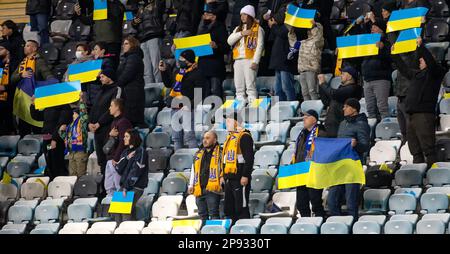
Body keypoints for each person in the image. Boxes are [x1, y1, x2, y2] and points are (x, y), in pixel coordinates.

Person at [392, 42, 445, 168]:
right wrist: (394, 54)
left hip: (424, 115)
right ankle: (418, 173)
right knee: (415, 149)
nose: (420, 61)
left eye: (422, 59)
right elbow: (403, 69)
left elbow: (431, 63)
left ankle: (434, 174)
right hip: (411, 115)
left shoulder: (435, 73)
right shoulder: (417, 74)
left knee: (428, 148)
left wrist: (421, 47)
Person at [327, 98, 370, 219]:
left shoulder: (362, 124)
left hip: (352, 166)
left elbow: (365, 146)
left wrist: (356, 145)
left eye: (346, 106)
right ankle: (339, 226)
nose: (343, 109)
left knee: (351, 201)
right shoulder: (342, 124)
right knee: (332, 201)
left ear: (354, 109)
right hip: (339, 165)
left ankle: (351, 226)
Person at [159, 49, 206, 151]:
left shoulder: (197, 73)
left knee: (189, 136)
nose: (179, 60)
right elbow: (169, 85)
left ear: (188, 60)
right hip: (175, 107)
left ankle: (194, 162)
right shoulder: (177, 71)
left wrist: (189, 105)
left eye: (181, 58)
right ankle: (179, 160)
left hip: (187, 108)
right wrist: (163, 72)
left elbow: (199, 94)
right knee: (176, 138)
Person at [12, 40, 54, 137]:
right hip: (23, 101)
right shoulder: (23, 62)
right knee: (23, 128)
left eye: (27, 46)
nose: (24, 47)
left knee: (37, 128)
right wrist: (21, 75)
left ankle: (42, 149)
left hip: (34, 100)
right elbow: (12, 79)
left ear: (34, 48)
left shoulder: (39, 62)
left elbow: (49, 77)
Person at [227, 5, 265, 104]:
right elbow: (229, 41)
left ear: (250, 16)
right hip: (238, 60)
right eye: (241, 15)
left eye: (245, 14)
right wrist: (242, 33)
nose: (242, 17)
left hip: (250, 59)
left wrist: (256, 61)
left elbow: (259, 46)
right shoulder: (238, 29)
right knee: (238, 86)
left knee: (250, 86)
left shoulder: (258, 29)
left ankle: (252, 104)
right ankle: (240, 103)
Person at [292, 110, 326, 218]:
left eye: (307, 117)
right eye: (303, 117)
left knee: (315, 202)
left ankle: (319, 224)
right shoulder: (302, 134)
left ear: (314, 119)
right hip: (301, 171)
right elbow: (298, 152)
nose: (304, 119)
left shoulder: (321, 133)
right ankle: (305, 225)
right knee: (301, 204)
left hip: (314, 171)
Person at [29, 97, 72, 180]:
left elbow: (62, 125)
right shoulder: (49, 107)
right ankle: (52, 181)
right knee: (49, 159)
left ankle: (59, 181)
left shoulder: (65, 107)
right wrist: (33, 105)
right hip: (47, 139)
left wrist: (55, 139)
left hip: (56, 140)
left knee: (57, 161)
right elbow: (37, 116)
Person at [222, 112, 254, 221]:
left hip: (240, 178)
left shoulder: (244, 136)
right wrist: (223, 175)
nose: (226, 123)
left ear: (236, 122)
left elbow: (249, 158)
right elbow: (225, 159)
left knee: (241, 208)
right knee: (229, 208)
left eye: (229, 121)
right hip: (229, 178)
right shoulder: (230, 138)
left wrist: (245, 175)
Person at [88, 68, 120, 178]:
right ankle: (104, 186)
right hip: (97, 130)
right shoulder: (101, 90)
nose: (100, 77)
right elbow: (94, 108)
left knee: (108, 157)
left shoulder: (115, 90)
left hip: (107, 129)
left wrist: (99, 123)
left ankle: (110, 186)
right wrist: (90, 122)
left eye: (103, 76)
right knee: (101, 159)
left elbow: (111, 110)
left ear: (109, 77)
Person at [74, 0, 125, 67]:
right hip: (99, 43)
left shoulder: (117, 5)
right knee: (100, 67)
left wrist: (107, 2)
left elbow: (116, 12)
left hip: (112, 42)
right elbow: (89, 21)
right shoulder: (99, 6)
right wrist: (79, 14)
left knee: (112, 65)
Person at [114, 129, 149, 222]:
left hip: (135, 187)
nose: (124, 138)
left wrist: (126, 187)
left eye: (126, 136)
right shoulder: (125, 152)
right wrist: (127, 158)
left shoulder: (141, 151)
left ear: (133, 138)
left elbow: (136, 172)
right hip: (125, 186)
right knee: (116, 212)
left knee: (125, 212)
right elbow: (118, 168)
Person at [360, 19, 392, 123]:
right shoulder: (368, 42)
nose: (372, 29)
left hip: (381, 79)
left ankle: (386, 132)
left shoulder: (387, 43)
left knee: (382, 108)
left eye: (375, 27)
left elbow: (391, 59)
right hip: (367, 80)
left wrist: (382, 48)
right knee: (370, 110)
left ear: (382, 30)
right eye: (372, 27)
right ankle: (372, 134)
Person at [318, 66, 362, 137]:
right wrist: (321, 85)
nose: (341, 76)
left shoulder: (353, 89)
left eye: (343, 74)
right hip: (331, 122)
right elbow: (326, 101)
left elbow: (334, 94)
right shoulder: (342, 88)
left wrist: (323, 84)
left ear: (350, 77)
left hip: (340, 124)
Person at [197, 3, 230, 99]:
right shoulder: (201, 29)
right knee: (204, 92)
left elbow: (226, 47)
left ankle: (217, 111)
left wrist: (216, 46)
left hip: (214, 67)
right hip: (203, 66)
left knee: (215, 91)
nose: (204, 16)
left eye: (207, 14)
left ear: (214, 16)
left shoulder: (220, 28)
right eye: (204, 14)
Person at [188, 131, 223, 220]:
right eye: (204, 138)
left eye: (208, 138)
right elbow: (194, 170)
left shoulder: (221, 153)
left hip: (213, 190)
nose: (204, 140)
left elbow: (224, 168)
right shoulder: (198, 154)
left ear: (214, 140)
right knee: (202, 215)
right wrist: (191, 185)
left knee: (214, 214)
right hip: (199, 189)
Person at [267, 7, 297, 102]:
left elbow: (283, 33)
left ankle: (292, 108)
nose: (285, 12)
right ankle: (281, 110)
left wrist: (273, 26)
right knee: (278, 89)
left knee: (287, 87)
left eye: (288, 10)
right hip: (278, 59)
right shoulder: (281, 24)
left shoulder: (291, 22)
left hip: (286, 59)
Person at [104, 98, 133, 196]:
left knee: (118, 186)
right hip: (110, 158)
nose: (109, 108)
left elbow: (123, 142)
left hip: (117, 160)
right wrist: (110, 135)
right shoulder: (114, 122)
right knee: (109, 187)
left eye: (111, 106)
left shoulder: (123, 122)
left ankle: (121, 209)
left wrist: (116, 158)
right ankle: (110, 208)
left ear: (117, 107)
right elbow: (112, 140)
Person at [115, 36, 145, 128]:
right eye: (123, 44)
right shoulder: (129, 58)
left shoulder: (133, 58)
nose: (124, 46)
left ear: (133, 45)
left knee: (131, 122)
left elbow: (127, 74)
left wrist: (117, 83)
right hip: (130, 92)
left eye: (126, 43)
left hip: (133, 94)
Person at [132, 0, 165, 84]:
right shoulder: (141, 7)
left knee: (156, 65)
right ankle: (149, 89)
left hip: (154, 36)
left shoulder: (156, 4)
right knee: (146, 69)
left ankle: (160, 88)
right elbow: (136, 22)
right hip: (142, 39)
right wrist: (134, 22)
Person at [292, 21, 324, 101]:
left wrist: (315, 25)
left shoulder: (318, 41)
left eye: (311, 29)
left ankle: (316, 110)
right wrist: (291, 31)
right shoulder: (302, 42)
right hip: (302, 69)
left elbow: (318, 35)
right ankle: (307, 111)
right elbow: (292, 43)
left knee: (312, 91)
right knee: (304, 92)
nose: (310, 30)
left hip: (312, 69)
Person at [61, 101, 90, 178]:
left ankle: (82, 190)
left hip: (80, 152)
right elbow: (65, 138)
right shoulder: (70, 125)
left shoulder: (81, 123)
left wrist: (81, 102)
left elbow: (84, 114)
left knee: (81, 175)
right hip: (71, 153)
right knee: (72, 176)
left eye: (74, 113)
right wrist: (61, 131)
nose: (72, 115)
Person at [0, 41, 18, 135]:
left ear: (7, 51)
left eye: (1, 49)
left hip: (11, 96)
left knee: (9, 121)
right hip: (1, 98)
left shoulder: (15, 63)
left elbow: (17, 80)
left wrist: (5, 87)